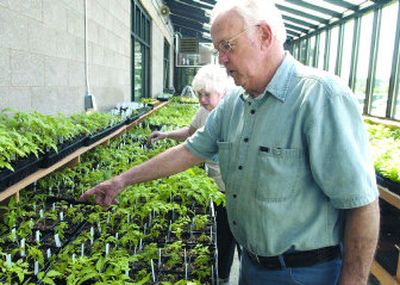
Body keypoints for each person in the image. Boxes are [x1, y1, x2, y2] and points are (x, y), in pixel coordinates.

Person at [80, 1, 380, 284]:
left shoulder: (320, 96)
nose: (221, 59)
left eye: (227, 46)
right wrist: (122, 180)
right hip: (250, 265)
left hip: (305, 273)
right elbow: (190, 150)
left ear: (264, 35)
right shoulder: (234, 101)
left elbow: (361, 204)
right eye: (218, 48)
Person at [147, 64, 238, 283]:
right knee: (219, 232)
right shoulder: (203, 112)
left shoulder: (235, 113)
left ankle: (224, 277)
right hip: (213, 185)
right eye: (199, 95)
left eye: (207, 95)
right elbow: (190, 134)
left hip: (233, 189)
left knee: (228, 236)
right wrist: (166, 134)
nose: (202, 100)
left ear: (222, 91)